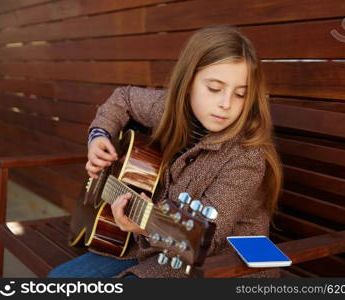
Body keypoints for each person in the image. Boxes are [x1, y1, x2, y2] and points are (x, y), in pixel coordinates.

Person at [48, 25, 283, 278]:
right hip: (145, 248)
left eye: (240, 94)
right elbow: (123, 98)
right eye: (214, 88)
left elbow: (203, 239)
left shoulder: (246, 155)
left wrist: (148, 227)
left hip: (213, 265)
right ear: (188, 81)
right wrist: (99, 136)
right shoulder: (167, 108)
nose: (225, 104)